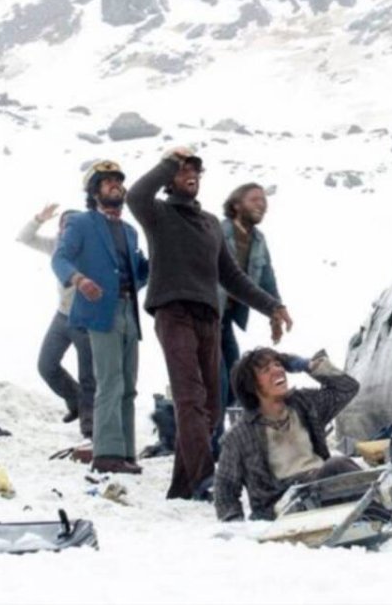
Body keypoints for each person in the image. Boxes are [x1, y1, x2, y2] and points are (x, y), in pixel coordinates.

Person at [127, 146, 293, 500]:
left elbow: (231, 275)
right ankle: (206, 479)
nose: (191, 175)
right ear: (170, 180)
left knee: (213, 407)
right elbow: (136, 194)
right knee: (190, 399)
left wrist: (272, 306)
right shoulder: (157, 213)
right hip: (174, 313)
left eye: (196, 171)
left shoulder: (209, 225)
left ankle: (183, 486)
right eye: (183, 170)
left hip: (208, 318)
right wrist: (170, 161)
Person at [53, 161, 149, 475]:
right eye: (107, 182)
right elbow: (60, 258)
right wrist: (80, 281)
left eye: (118, 182)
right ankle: (107, 453)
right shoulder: (81, 223)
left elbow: (138, 274)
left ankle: (126, 452)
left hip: (128, 310)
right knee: (110, 381)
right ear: (94, 191)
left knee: (129, 385)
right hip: (99, 312)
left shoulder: (131, 231)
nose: (115, 186)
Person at [214, 348, 361, 521]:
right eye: (266, 370)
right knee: (337, 465)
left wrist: (308, 365)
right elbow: (225, 489)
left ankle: (382, 512)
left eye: (278, 364)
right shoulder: (239, 435)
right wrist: (237, 526)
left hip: (323, 486)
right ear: (251, 385)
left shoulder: (304, 404)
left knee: (350, 471)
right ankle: (384, 511)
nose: (277, 370)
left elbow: (348, 388)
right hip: (283, 507)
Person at [18, 204, 96, 435]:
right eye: (63, 225)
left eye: (72, 225)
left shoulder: (90, 249)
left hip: (86, 319)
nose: (66, 229)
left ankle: (90, 426)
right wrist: (39, 218)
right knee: (46, 365)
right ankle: (75, 401)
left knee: (89, 375)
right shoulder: (56, 246)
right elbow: (24, 238)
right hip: (62, 317)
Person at [216, 182, 281, 447]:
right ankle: (214, 441)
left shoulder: (258, 239)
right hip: (208, 313)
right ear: (236, 204)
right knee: (217, 377)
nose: (261, 204)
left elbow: (266, 278)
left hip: (228, 317)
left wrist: (275, 312)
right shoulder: (218, 231)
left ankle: (229, 437)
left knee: (234, 376)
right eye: (254, 199)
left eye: (263, 200)